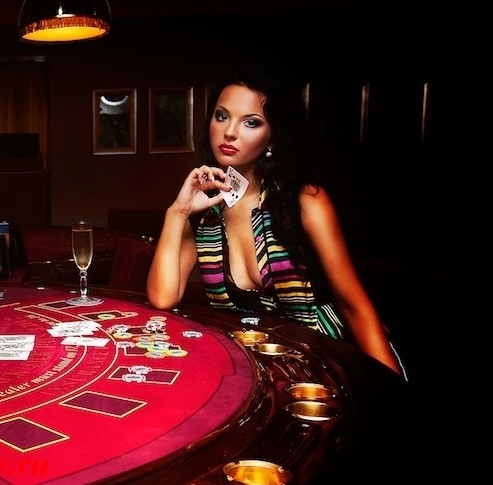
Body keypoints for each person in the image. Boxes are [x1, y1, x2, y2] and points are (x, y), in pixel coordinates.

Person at [146, 66, 404, 377]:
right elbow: (163, 297)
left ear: (273, 137)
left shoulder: (306, 200)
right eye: (222, 116)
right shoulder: (203, 211)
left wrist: (391, 391)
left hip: (328, 361)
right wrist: (177, 212)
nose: (230, 132)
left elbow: (354, 307)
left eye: (251, 122)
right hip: (259, 371)